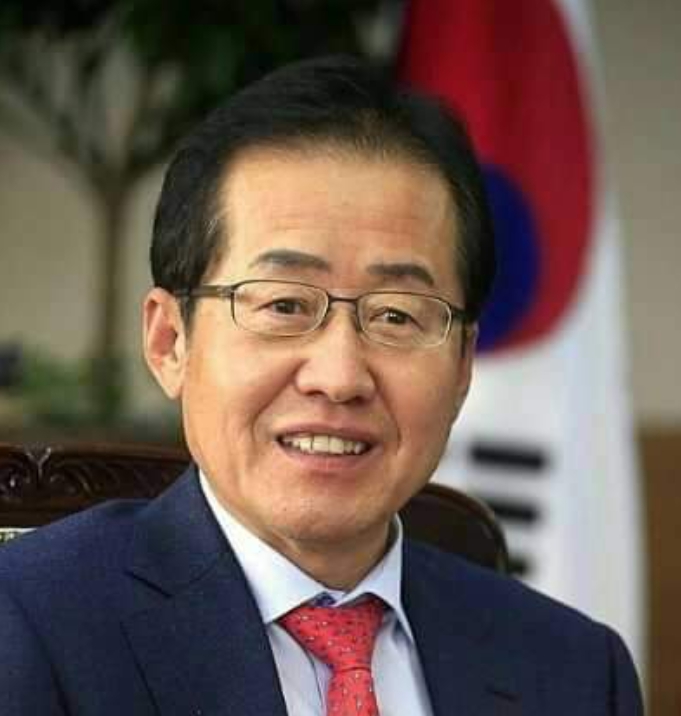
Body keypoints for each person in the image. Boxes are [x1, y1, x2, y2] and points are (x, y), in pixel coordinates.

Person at [0, 56, 643, 716]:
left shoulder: (575, 672)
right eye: (284, 305)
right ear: (170, 342)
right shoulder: (27, 628)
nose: (339, 378)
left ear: (462, 367)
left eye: (396, 316)